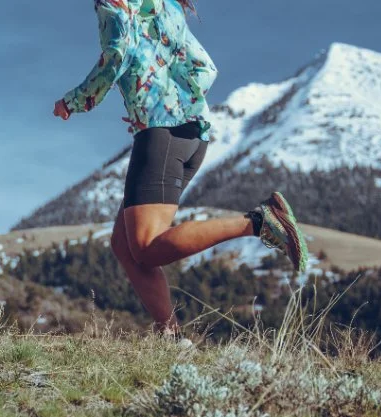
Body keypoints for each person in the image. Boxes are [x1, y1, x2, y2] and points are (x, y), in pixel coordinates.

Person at [53, 0, 308, 338]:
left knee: (146, 247)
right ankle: (171, 336)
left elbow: (116, 55)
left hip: (162, 135)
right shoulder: (165, 4)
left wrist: (74, 101)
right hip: (190, 133)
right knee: (125, 246)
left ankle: (259, 222)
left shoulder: (115, 5)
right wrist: (160, 99)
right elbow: (206, 68)